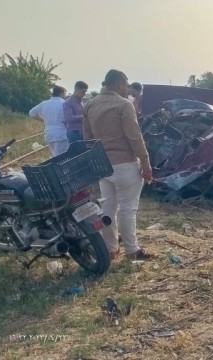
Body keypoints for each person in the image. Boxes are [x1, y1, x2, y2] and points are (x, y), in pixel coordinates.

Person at [84, 69, 153, 261]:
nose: (128, 89)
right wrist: (145, 161)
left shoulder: (90, 104)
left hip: (103, 165)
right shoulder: (124, 105)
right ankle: (132, 250)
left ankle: (110, 249)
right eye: (126, 85)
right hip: (125, 163)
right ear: (119, 83)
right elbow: (134, 136)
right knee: (127, 209)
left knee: (108, 208)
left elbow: (87, 138)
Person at [29, 86, 69, 156]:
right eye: (65, 94)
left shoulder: (44, 103)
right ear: (62, 93)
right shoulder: (64, 103)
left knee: (54, 155)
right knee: (62, 156)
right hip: (61, 133)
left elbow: (31, 113)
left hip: (49, 133)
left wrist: (44, 120)